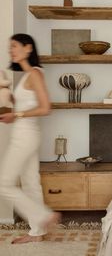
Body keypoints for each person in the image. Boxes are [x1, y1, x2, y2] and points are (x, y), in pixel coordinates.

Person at [0, 33, 61, 244]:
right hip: (25, 133)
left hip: (25, 135)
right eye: (10, 47)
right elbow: (27, 105)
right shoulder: (27, 76)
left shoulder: (35, 73)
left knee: (4, 184)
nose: (11, 50)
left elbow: (46, 108)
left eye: (14, 46)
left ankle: (43, 216)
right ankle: (37, 233)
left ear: (28, 48)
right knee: (30, 183)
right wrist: (9, 97)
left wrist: (16, 114)